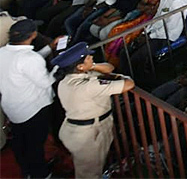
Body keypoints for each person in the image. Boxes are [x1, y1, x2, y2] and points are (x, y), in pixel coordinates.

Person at [53, 42, 135, 179]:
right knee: (89, 174)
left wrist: (92, 66)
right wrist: (124, 77)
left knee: (87, 168)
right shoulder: (88, 86)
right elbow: (129, 84)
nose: (92, 59)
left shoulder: (66, 80)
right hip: (89, 135)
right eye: (88, 58)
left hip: (77, 130)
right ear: (80, 66)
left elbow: (109, 68)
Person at [0, 19, 56, 177]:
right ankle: (41, 174)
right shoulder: (30, 59)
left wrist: (49, 48)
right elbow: (45, 82)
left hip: (13, 108)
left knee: (21, 143)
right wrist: (58, 69)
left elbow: (25, 63)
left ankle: (27, 172)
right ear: (33, 35)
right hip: (33, 109)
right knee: (35, 146)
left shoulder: (2, 52)